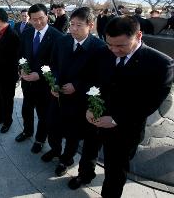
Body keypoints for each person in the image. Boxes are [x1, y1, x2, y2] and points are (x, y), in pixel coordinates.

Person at [69, 16, 174, 197]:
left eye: (121, 46)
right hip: (94, 117)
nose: (114, 50)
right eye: (110, 44)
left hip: (125, 128)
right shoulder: (102, 52)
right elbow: (90, 81)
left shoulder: (161, 64)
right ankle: (85, 175)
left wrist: (116, 119)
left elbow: (150, 102)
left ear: (138, 35)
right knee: (88, 151)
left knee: (116, 168)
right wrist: (89, 107)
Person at [42, 7, 105, 177]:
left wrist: (77, 86)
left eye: (79, 25)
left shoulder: (99, 48)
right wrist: (53, 82)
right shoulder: (62, 41)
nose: (73, 29)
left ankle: (66, 158)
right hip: (58, 95)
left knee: (73, 133)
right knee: (52, 126)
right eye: (72, 24)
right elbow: (53, 65)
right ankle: (55, 150)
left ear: (90, 25)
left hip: (79, 100)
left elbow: (99, 77)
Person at [14, 4, 62, 153]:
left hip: (45, 85)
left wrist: (39, 75)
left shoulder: (57, 36)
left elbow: (58, 64)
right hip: (27, 83)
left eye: (41, 18)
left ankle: (40, 139)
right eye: (34, 19)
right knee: (26, 109)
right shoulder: (27, 33)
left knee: (43, 114)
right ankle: (27, 131)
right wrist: (21, 68)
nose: (38, 22)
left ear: (47, 16)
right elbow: (21, 54)